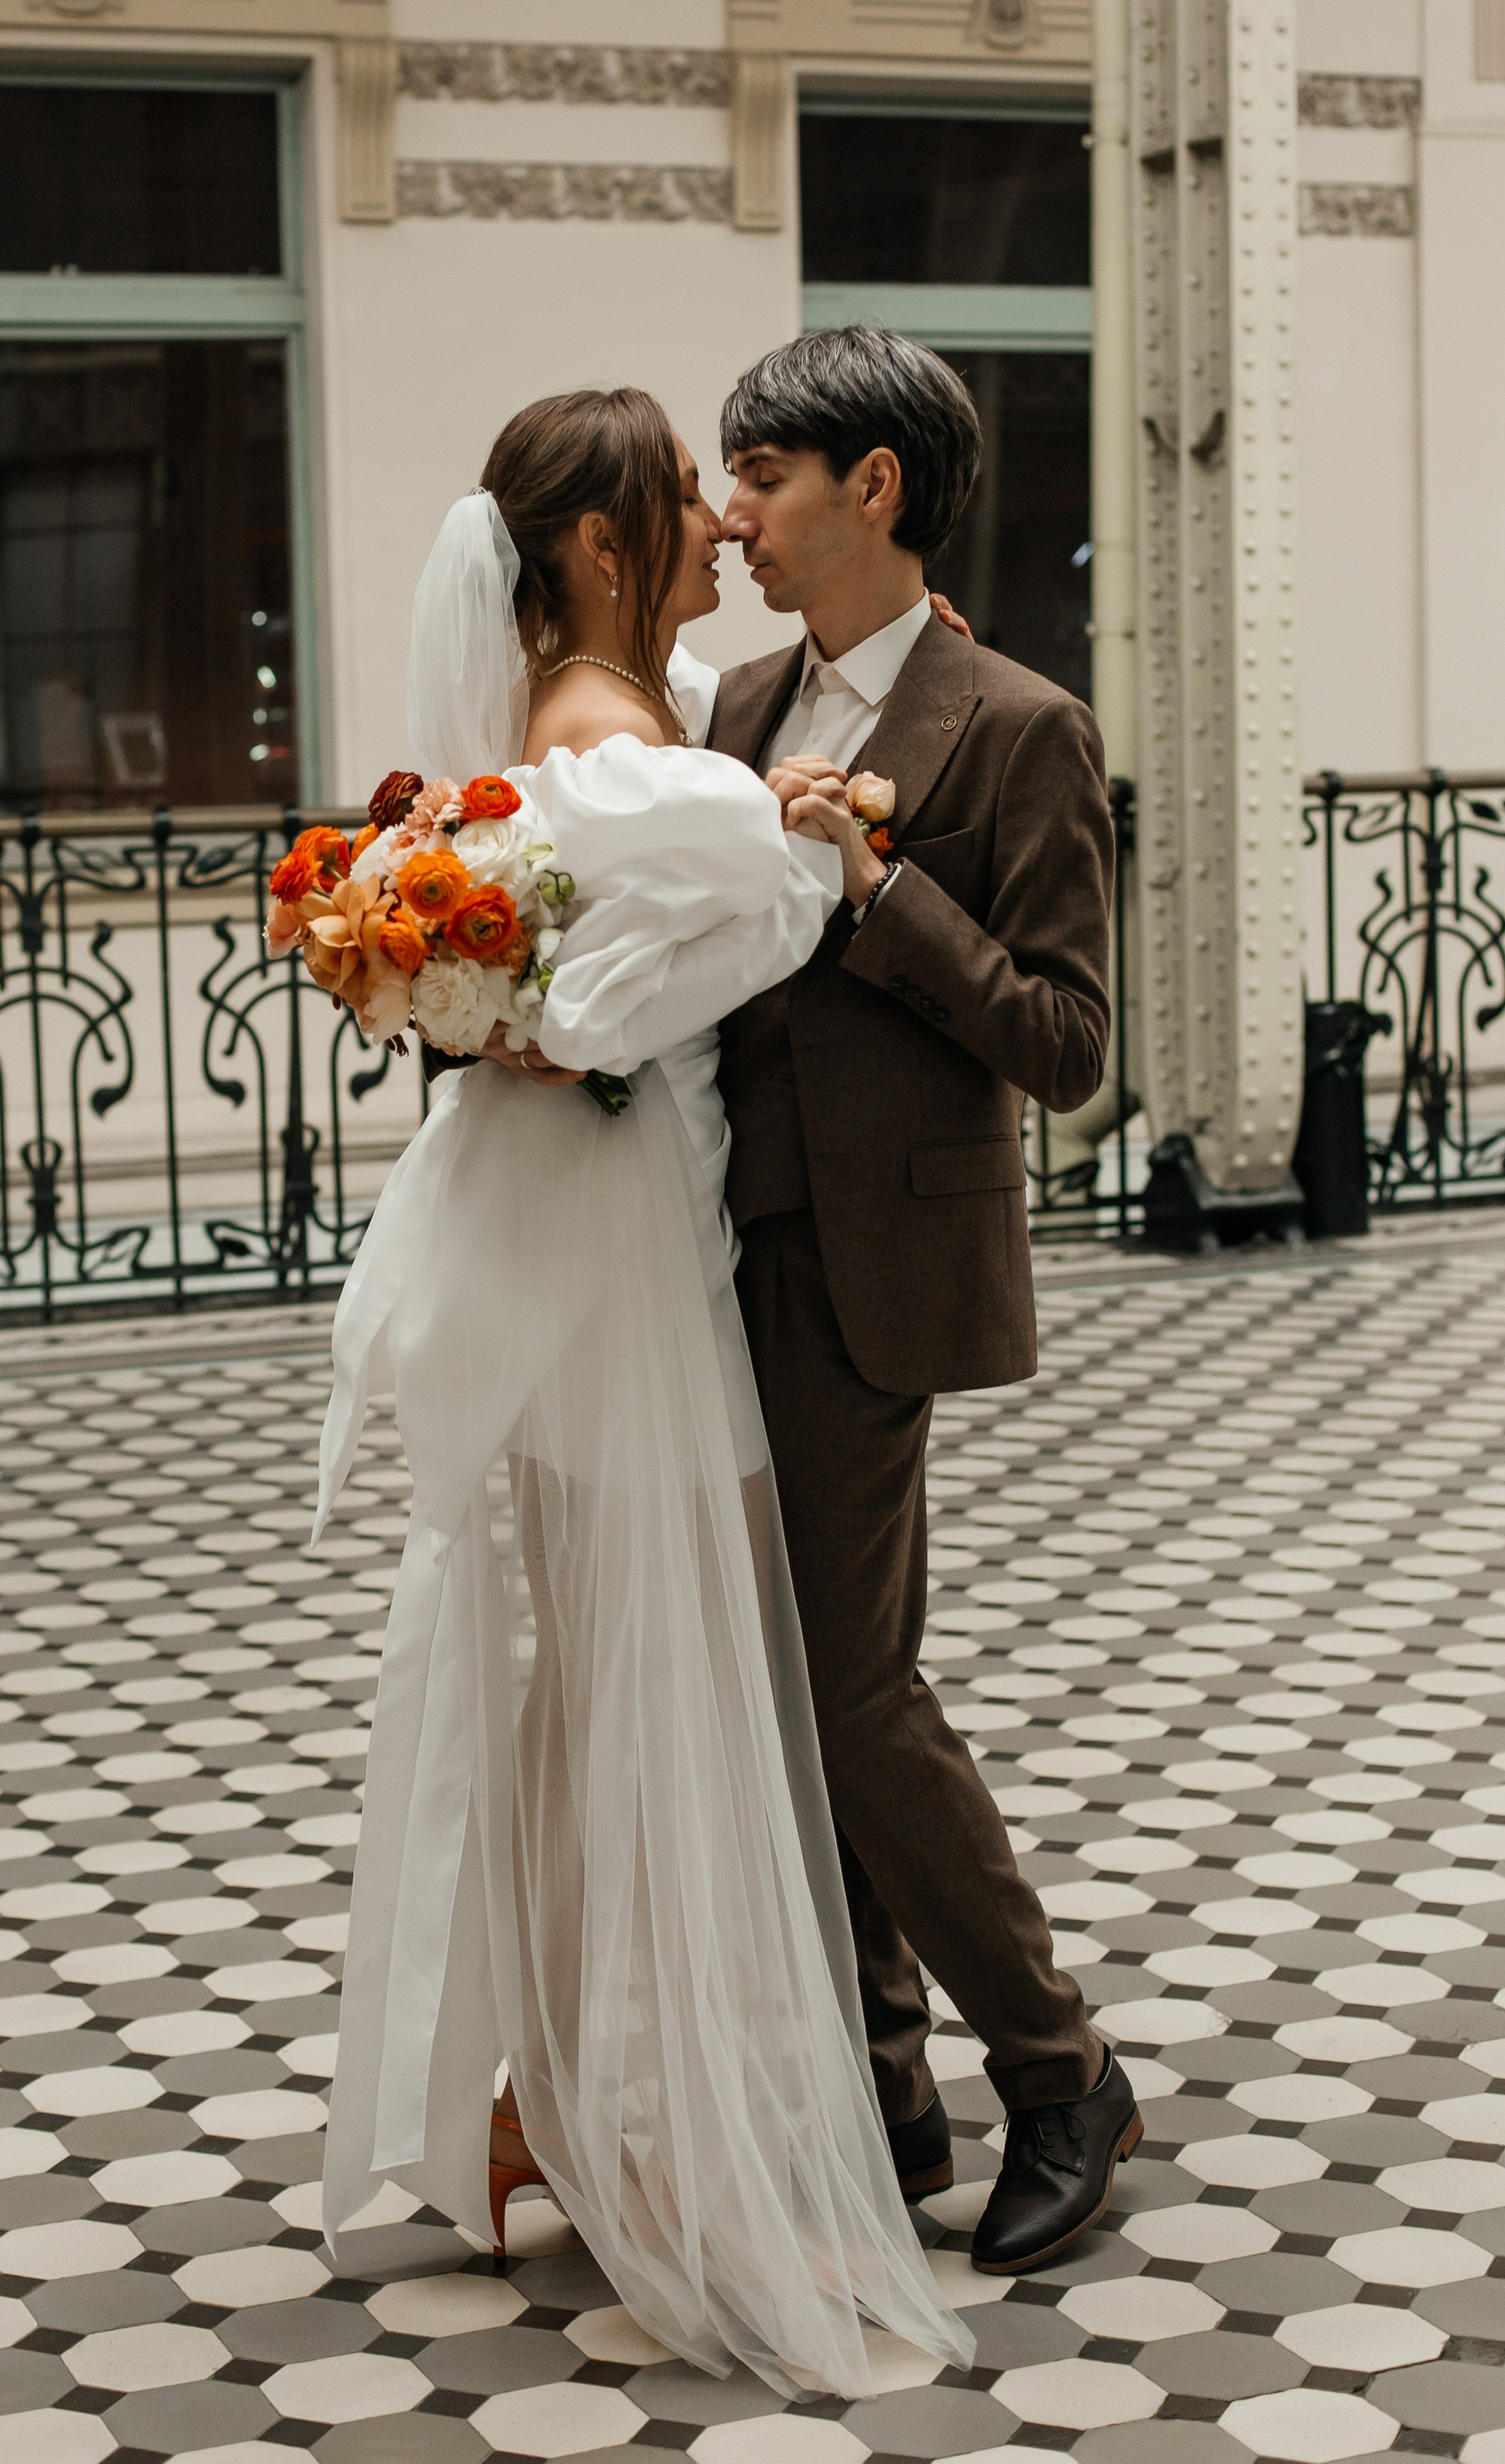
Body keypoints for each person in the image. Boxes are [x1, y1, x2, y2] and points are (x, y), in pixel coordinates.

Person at [312, 388, 974, 2394]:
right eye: (684, 501)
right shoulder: (639, 777)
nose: (716, 525)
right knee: (664, 1703)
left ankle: (535, 2095)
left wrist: (503, 980)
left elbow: (558, 964)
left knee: (586, 1697)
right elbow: (755, 918)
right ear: (597, 552)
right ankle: (656, 2159)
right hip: (635, 1286)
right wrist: (822, 823)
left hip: (566, 1261)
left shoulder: (550, 756)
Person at [710, 323, 1142, 2274]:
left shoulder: (1017, 722)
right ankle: (887, 2094)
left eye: (767, 483)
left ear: (873, 488)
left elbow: (1067, 1044)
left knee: (855, 1693)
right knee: (785, 1702)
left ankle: (1057, 2074)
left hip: (876, 1260)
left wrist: (885, 901)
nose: (737, 520)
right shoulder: (729, 707)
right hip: (706, 1255)